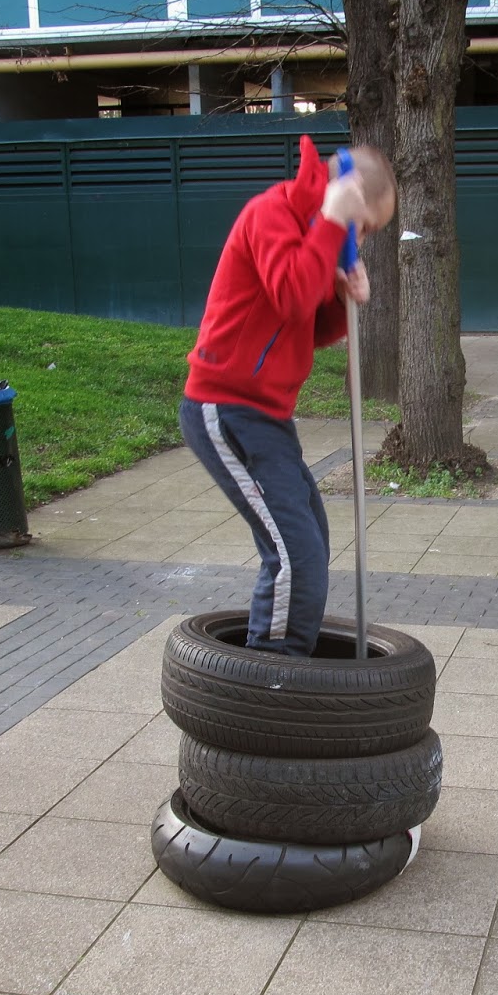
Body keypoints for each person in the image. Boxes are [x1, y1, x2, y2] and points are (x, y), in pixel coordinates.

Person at [178, 136, 397, 656]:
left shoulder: (316, 233)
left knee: (311, 539)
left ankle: (281, 668)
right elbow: (294, 295)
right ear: (343, 196)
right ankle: (271, 672)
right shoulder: (271, 215)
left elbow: (302, 324)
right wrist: (328, 227)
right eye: (363, 227)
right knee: (294, 553)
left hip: (269, 417)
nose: (360, 241)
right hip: (225, 407)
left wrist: (341, 302)